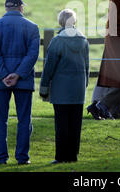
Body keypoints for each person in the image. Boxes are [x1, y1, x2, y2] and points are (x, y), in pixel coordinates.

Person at [0, 0, 39, 165]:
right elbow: (32, 55)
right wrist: (18, 74)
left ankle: (0, 157)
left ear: (6, 8)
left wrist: (3, 75)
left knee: (0, 120)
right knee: (24, 119)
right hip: (23, 80)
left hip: (0, 81)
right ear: (21, 7)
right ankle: (23, 158)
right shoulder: (32, 27)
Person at [39, 9, 89, 164]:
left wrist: (44, 87)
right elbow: (87, 66)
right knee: (75, 124)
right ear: (74, 22)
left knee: (61, 124)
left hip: (61, 88)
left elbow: (49, 67)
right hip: (78, 89)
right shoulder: (83, 40)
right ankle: (73, 156)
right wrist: (84, 84)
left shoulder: (58, 41)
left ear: (60, 22)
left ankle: (61, 157)